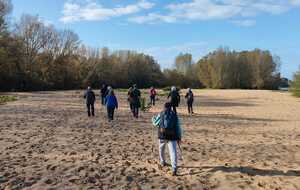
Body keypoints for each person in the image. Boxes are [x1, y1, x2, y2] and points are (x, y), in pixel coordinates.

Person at [152, 102, 182, 176]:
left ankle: (162, 162)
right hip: (172, 136)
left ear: (164, 107)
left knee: (161, 148)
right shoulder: (174, 115)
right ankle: (174, 168)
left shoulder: (161, 114)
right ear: (171, 107)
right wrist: (179, 137)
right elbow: (178, 127)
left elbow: (155, 123)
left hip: (162, 135)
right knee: (173, 152)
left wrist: (153, 119)